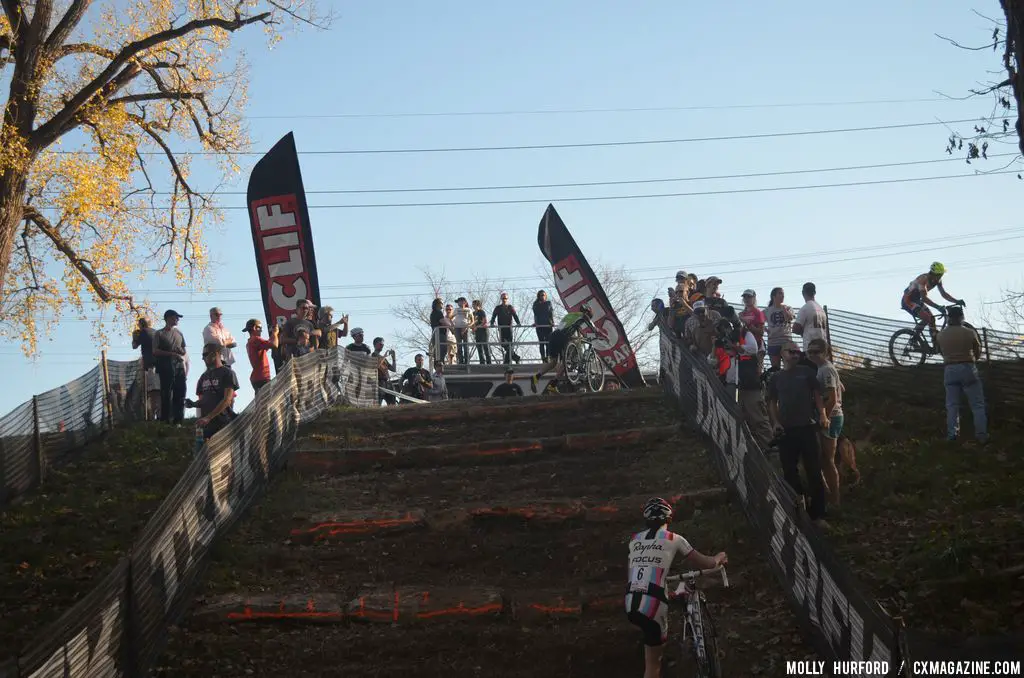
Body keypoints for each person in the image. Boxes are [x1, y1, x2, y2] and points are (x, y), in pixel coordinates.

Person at [625, 497, 728, 678]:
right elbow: (707, 563)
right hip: (653, 604)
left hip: (631, 601)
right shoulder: (674, 538)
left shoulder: (634, 540)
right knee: (653, 665)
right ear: (669, 519)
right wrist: (719, 557)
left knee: (650, 648)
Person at [766, 341, 830, 528]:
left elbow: (818, 395)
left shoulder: (807, 372)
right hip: (786, 430)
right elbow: (772, 402)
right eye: (791, 351)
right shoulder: (776, 377)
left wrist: (823, 414)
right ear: (782, 353)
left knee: (814, 471)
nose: (795, 354)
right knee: (789, 472)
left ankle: (818, 515)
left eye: (797, 351)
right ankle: (798, 509)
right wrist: (775, 422)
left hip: (807, 427)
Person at [936, 306, 988, 444]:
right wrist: (973, 360)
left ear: (948, 318)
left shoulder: (941, 335)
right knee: (977, 405)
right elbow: (977, 351)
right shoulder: (970, 332)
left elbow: (940, 351)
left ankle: (952, 435)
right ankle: (981, 435)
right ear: (961, 317)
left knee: (952, 405)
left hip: (949, 369)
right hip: (968, 367)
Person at [528, 305, 605, 393]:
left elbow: (576, 330)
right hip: (562, 338)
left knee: (553, 362)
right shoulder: (582, 315)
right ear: (587, 312)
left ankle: (536, 377)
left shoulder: (571, 316)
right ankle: (552, 385)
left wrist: (583, 337)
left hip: (554, 336)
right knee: (566, 364)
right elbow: (591, 325)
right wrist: (602, 334)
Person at [806, 338, 844, 505]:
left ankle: (835, 498)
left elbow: (833, 398)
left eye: (816, 352)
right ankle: (828, 493)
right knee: (822, 459)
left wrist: (824, 417)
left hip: (832, 416)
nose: (813, 355)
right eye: (810, 352)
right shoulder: (822, 369)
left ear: (826, 353)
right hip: (829, 415)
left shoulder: (826, 370)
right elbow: (841, 388)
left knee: (828, 460)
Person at [901, 262, 965, 350]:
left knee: (932, 319)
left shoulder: (938, 280)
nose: (941, 276)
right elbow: (924, 298)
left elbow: (944, 294)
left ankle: (935, 344)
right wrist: (938, 307)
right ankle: (914, 340)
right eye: (939, 275)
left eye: (942, 274)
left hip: (917, 301)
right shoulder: (923, 279)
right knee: (928, 318)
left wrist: (956, 301)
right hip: (908, 300)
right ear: (934, 273)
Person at [191, 343, 239, 440]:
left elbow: (227, 400)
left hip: (223, 423)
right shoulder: (203, 376)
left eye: (205, 354)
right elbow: (204, 400)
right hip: (207, 426)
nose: (203, 358)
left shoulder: (227, 373)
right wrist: (193, 404)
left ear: (215, 354)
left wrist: (208, 417)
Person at [242, 318, 279, 392]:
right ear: (255, 328)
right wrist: (275, 333)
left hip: (258, 378)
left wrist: (273, 334)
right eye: (260, 328)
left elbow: (267, 346)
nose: (261, 330)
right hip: (262, 377)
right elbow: (274, 345)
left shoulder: (251, 341)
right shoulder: (256, 339)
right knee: (268, 401)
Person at [792, 282, 828, 353]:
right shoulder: (821, 310)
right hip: (823, 347)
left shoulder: (805, 308)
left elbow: (795, 329)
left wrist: (803, 332)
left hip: (811, 348)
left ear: (803, 293)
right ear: (815, 293)